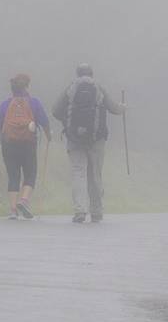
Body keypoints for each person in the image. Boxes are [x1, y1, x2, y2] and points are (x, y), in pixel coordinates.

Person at [52, 63, 125, 223]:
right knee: (95, 175)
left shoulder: (70, 88)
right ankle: (96, 212)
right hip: (96, 139)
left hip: (74, 138)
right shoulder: (99, 88)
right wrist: (123, 107)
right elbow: (114, 109)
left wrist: (68, 124)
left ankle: (80, 211)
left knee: (78, 173)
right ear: (92, 74)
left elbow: (55, 110)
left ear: (77, 74)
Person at [0, 73, 52, 220]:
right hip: (28, 143)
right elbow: (44, 121)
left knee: (13, 175)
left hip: (8, 142)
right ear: (27, 86)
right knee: (30, 173)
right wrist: (49, 136)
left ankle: (12, 210)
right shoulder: (34, 102)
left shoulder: (5, 104)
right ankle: (23, 201)